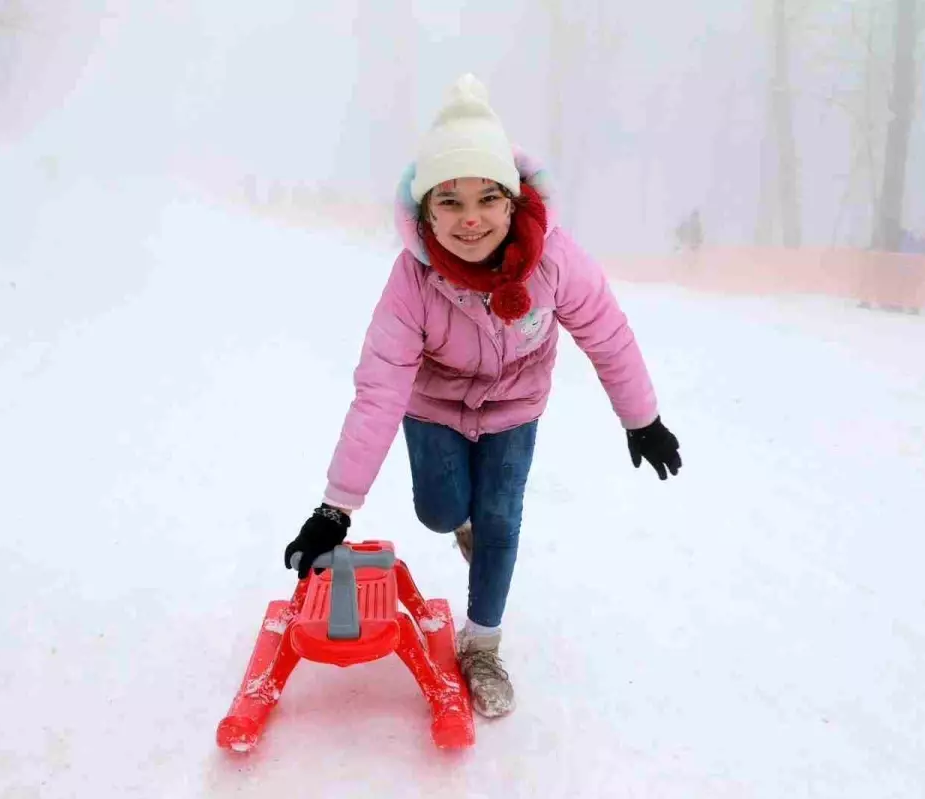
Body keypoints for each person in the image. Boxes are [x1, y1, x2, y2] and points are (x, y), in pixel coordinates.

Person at [282, 74, 682, 719]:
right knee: (441, 512)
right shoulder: (411, 281)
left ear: (513, 202)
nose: (470, 219)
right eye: (449, 201)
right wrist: (336, 510)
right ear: (426, 211)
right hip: (433, 406)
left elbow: (607, 334)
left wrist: (643, 420)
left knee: (501, 521)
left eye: (488, 198)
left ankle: (483, 647)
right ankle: (459, 523)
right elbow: (379, 391)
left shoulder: (556, 261)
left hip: (514, 408)